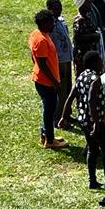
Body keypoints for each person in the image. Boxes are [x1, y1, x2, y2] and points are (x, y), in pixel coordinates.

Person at [59, 50, 105, 190]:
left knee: (92, 149)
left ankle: (92, 181)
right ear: (94, 63)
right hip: (95, 121)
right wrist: (96, 122)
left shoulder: (81, 76)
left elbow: (71, 97)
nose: (102, 63)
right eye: (100, 61)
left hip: (83, 120)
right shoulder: (95, 79)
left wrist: (63, 117)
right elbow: (91, 100)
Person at [30, 10, 66, 149]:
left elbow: (33, 57)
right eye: (51, 22)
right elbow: (42, 64)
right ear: (43, 23)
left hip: (44, 79)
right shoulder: (41, 40)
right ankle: (50, 140)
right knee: (50, 109)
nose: (53, 24)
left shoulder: (37, 34)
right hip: (46, 82)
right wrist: (55, 82)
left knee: (49, 108)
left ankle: (45, 135)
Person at [46, 0, 73, 119]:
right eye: (56, 9)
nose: (59, 11)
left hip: (67, 58)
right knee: (61, 90)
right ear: (49, 9)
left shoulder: (61, 20)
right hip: (59, 61)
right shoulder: (48, 25)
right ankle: (58, 116)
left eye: (60, 8)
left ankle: (67, 113)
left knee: (68, 88)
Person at [72, 0, 103, 74]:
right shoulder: (79, 20)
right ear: (82, 5)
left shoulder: (86, 17)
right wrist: (93, 36)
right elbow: (77, 38)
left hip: (89, 53)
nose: (90, 4)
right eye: (87, 3)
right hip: (82, 56)